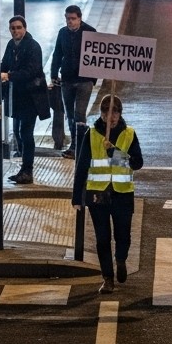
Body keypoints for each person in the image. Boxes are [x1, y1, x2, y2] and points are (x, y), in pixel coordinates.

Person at [71, 94, 145, 294]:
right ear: (101, 114)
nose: (111, 117)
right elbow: (82, 166)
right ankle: (107, 278)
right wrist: (77, 197)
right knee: (102, 239)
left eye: (115, 112)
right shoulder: (92, 134)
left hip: (122, 194)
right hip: (98, 195)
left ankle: (120, 259)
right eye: (106, 113)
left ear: (120, 114)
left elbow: (137, 163)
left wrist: (116, 154)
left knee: (123, 236)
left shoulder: (129, 134)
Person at [0, 15, 46, 185]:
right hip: (17, 96)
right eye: (13, 28)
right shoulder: (11, 45)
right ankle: (24, 169)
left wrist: (9, 75)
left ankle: (28, 170)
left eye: (19, 27)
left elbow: (31, 71)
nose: (16, 31)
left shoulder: (33, 46)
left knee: (26, 133)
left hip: (31, 97)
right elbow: (4, 64)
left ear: (25, 28)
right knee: (18, 133)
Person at [51, 4, 97, 159]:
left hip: (84, 81)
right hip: (67, 80)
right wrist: (53, 73)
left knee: (79, 114)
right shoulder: (62, 33)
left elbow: (97, 57)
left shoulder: (90, 32)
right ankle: (74, 145)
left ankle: (80, 145)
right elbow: (57, 54)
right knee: (70, 114)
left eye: (73, 19)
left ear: (79, 18)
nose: (70, 22)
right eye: (67, 18)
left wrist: (92, 78)